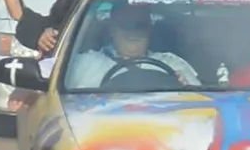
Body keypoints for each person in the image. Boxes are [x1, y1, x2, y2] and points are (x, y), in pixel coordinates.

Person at [63, 8, 201, 90]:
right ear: (112, 28)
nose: (133, 32)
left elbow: (200, 104)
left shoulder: (173, 64)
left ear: (149, 28)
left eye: (140, 25)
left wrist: (185, 89)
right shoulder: (83, 64)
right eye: (126, 24)